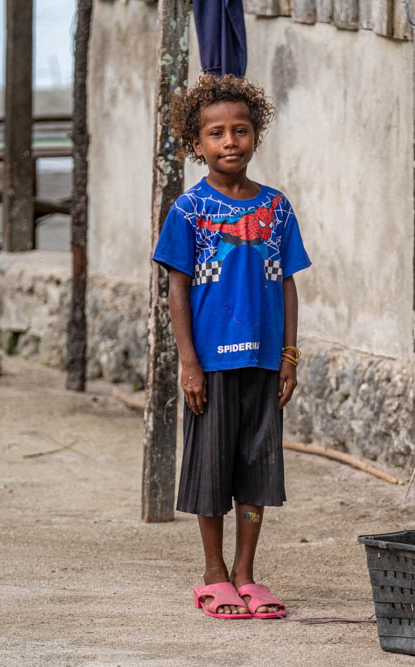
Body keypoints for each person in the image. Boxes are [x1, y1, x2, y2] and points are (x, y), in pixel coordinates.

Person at [152, 74, 311, 620]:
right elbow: (176, 287)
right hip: (213, 365)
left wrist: (288, 355)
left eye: (239, 131)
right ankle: (213, 573)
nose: (229, 142)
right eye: (216, 134)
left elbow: (287, 281)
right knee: (211, 468)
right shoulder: (189, 211)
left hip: (264, 362)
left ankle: (247, 573)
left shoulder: (278, 208)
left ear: (255, 136)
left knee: (257, 469)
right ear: (198, 144)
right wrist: (189, 364)